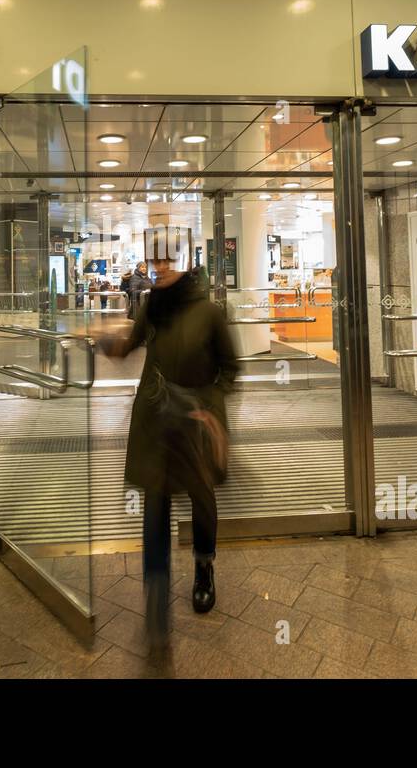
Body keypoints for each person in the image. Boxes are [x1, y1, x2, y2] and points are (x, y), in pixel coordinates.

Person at [101, 256, 238, 653]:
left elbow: (229, 369)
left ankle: (203, 567)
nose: (158, 268)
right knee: (155, 499)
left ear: (183, 266)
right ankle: (156, 593)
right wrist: (102, 338)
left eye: (166, 261)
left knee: (201, 495)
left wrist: (207, 406)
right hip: (155, 419)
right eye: (154, 261)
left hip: (196, 420)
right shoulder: (152, 306)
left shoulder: (209, 312)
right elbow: (129, 347)